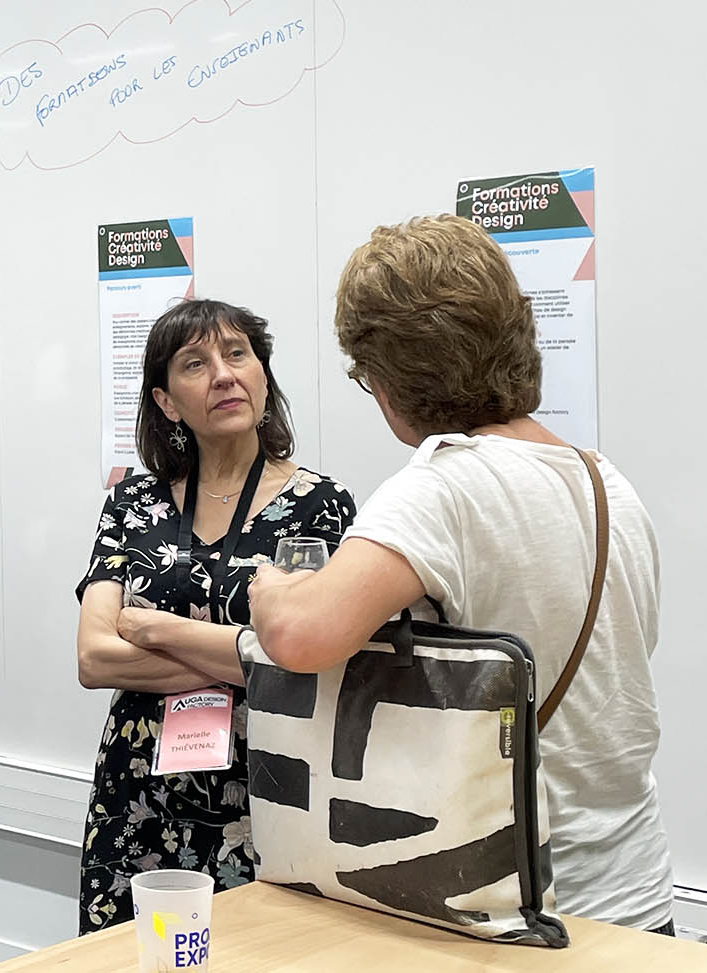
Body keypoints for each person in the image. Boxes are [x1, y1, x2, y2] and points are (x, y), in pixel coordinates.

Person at [248, 214, 675, 934]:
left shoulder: (444, 486)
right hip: (636, 901)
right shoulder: (607, 484)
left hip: (518, 912)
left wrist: (272, 589)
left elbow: (299, 635)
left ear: (388, 379)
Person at [75, 299, 355, 933]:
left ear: (262, 375)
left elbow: (303, 661)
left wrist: (152, 628)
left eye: (237, 355)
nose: (225, 375)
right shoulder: (134, 502)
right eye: (195, 364)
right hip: (140, 790)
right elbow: (93, 658)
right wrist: (238, 653)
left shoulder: (320, 506)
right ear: (168, 402)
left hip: (269, 787)